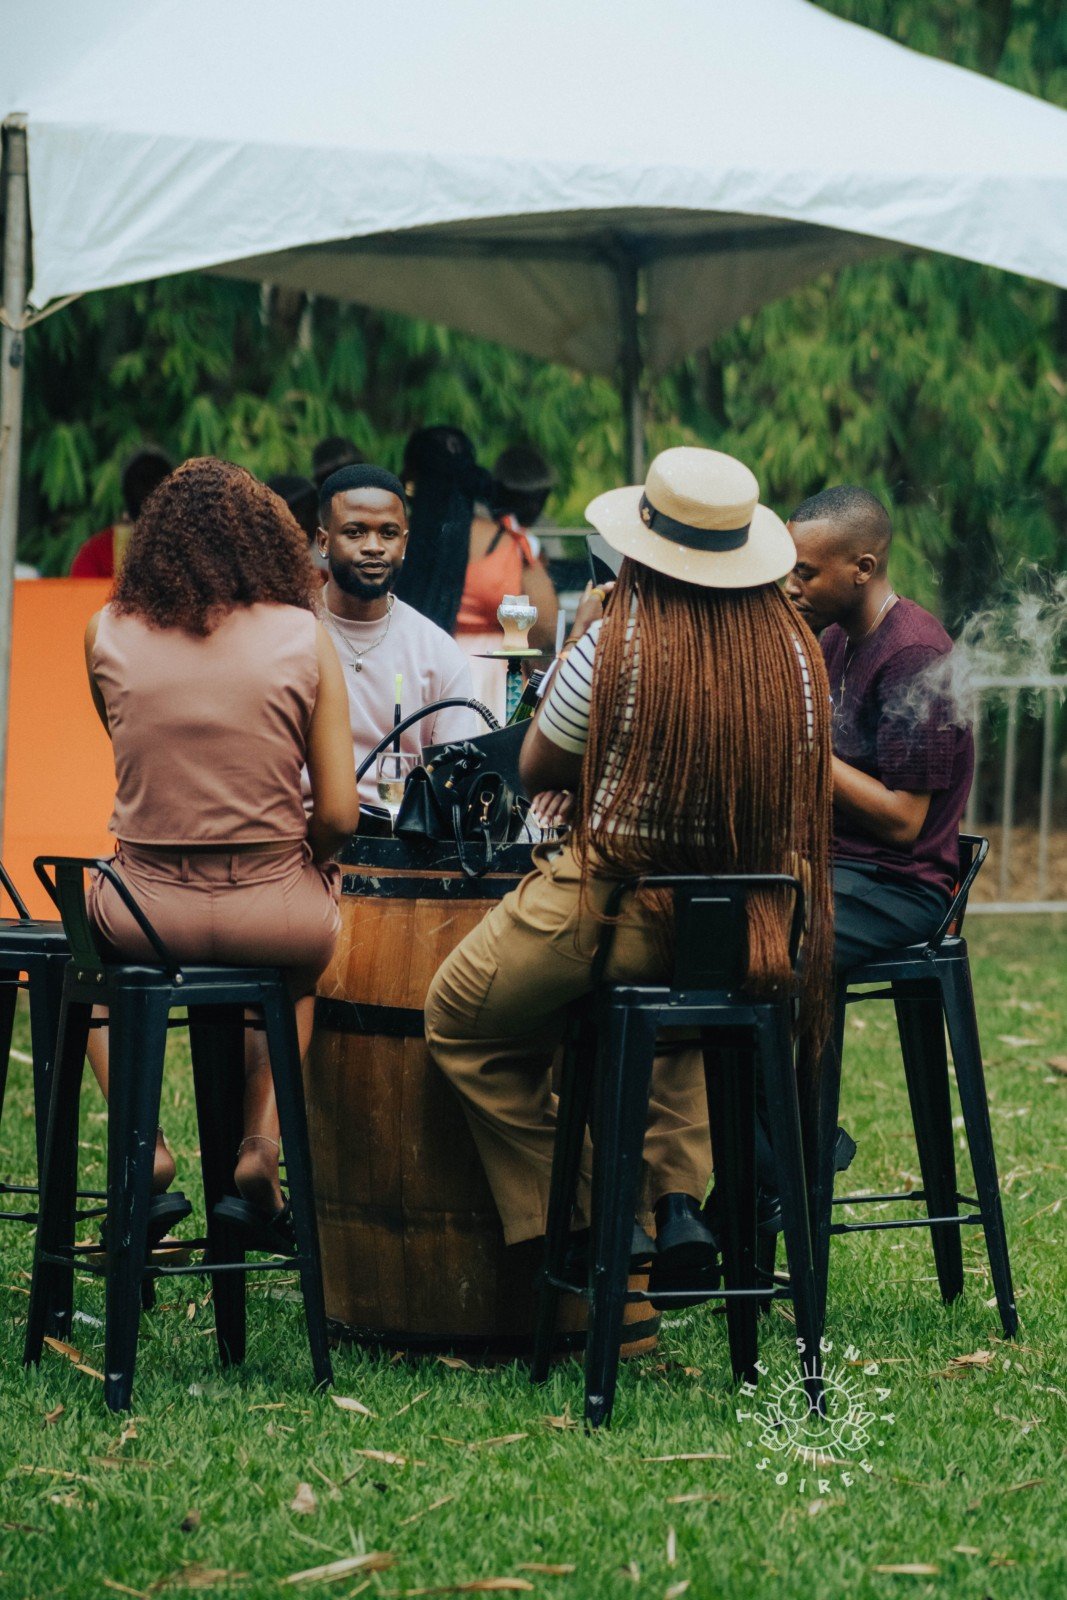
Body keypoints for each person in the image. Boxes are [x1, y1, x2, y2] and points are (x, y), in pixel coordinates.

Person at [425, 447, 834, 1300]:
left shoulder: (614, 646)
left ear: (644, 551)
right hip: (747, 922)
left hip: (614, 910)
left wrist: (582, 647)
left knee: (461, 1020)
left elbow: (537, 767)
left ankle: (591, 1217)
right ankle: (675, 1201)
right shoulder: (795, 658)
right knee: (682, 1020)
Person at [84, 457, 360, 1248]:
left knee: (86, 971)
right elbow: (338, 813)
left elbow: (129, 755)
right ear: (267, 542)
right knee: (299, 982)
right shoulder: (305, 637)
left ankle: (147, 1148)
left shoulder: (104, 631)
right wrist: (301, 859)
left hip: (143, 914)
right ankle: (259, 1151)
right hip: (274, 913)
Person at [786, 485, 973, 971]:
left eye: (805, 573)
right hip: (836, 866)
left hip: (899, 885)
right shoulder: (834, 638)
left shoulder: (913, 654)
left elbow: (903, 821)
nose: (790, 586)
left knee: (768, 947)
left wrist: (801, 750)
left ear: (863, 568)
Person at [315, 463, 481, 808]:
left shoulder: (436, 651)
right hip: (302, 828)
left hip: (401, 833)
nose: (374, 547)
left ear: (404, 543)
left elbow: (454, 780)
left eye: (388, 533)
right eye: (355, 532)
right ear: (324, 541)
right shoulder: (290, 632)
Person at [398, 427, 560, 720]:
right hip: (493, 688)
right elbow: (546, 633)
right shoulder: (508, 543)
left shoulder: (390, 540)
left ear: (412, 480)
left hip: (410, 681)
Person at [70, 447, 173, 577]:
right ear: (126, 493)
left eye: (157, 481)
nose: (149, 492)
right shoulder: (95, 553)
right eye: (142, 481)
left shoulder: (189, 548)